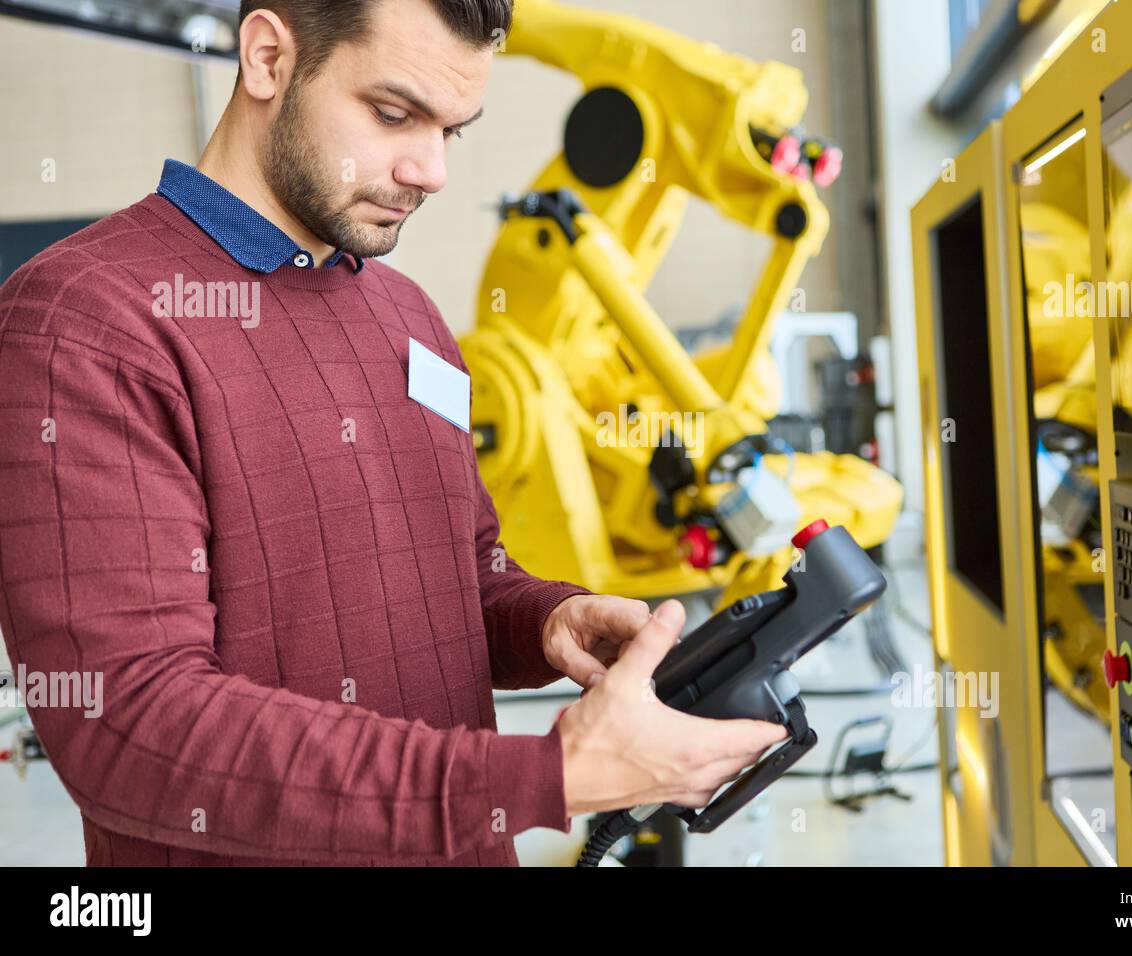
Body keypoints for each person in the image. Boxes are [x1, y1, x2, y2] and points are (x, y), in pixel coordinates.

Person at [0, 0, 786, 866]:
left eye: (453, 129)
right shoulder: (84, 320)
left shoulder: (406, 316)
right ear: (266, 58)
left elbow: (464, 563)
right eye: (393, 113)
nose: (432, 169)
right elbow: (130, 728)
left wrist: (547, 618)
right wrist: (544, 777)